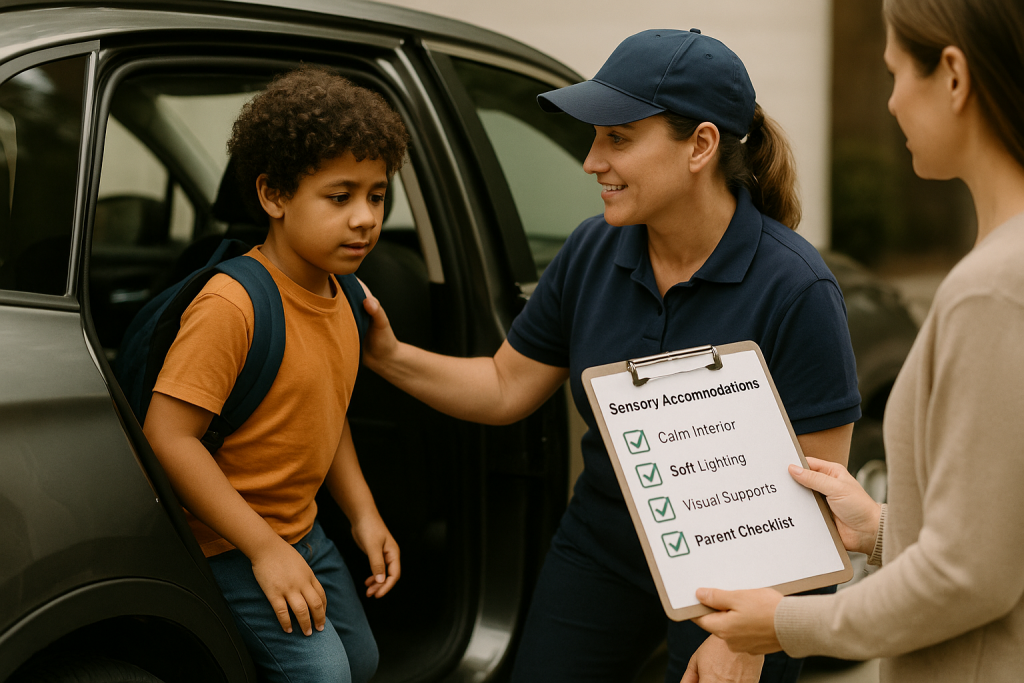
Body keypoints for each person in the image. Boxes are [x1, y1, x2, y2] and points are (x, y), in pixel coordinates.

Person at [360, 29, 861, 683]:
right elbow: (504, 384)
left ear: (701, 146)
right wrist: (386, 354)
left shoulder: (796, 287)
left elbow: (819, 501)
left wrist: (750, 638)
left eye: (617, 137)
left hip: (748, 566)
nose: (592, 161)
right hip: (606, 536)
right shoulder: (592, 251)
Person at [692, 0, 1024, 681]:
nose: (894, 102)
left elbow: (969, 577)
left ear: (954, 77)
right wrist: (877, 526)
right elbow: (999, 529)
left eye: (896, 73)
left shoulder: (992, 288)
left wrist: (782, 624)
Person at [142, 65, 409, 683]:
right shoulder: (233, 306)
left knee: (362, 661)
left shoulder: (346, 296)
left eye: (377, 195)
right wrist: (264, 551)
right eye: (340, 197)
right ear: (274, 196)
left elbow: (325, 411)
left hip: (301, 529)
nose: (366, 218)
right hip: (228, 541)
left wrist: (364, 514)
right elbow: (168, 436)